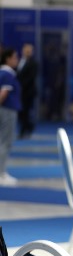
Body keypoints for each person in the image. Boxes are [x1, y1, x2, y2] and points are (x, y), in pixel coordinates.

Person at [0, 48, 21, 186]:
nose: (16, 60)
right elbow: (3, 93)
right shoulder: (7, 74)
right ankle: (1, 173)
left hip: (5, 109)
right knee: (5, 142)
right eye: (14, 57)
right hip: (7, 110)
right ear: (7, 59)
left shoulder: (3, 73)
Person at [16, 43, 38, 138]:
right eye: (26, 51)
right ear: (22, 51)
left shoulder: (34, 63)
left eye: (29, 51)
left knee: (26, 111)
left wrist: (20, 85)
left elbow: (31, 78)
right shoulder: (18, 61)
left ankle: (24, 131)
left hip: (28, 92)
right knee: (20, 112)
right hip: (18, 92)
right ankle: (28, 127)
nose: (28, 52)